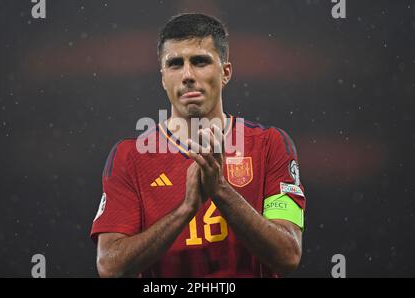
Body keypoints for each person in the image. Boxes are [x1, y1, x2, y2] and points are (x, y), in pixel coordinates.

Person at [91, 13, 306, 277]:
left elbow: (289, 254)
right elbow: (109, 265)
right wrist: (185, 210)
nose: (187, 75)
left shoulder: (270, 145)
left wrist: (221, 191)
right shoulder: (129, 157)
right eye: (175, 64)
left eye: (200, 61)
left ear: (225, 72)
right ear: (162, 78)